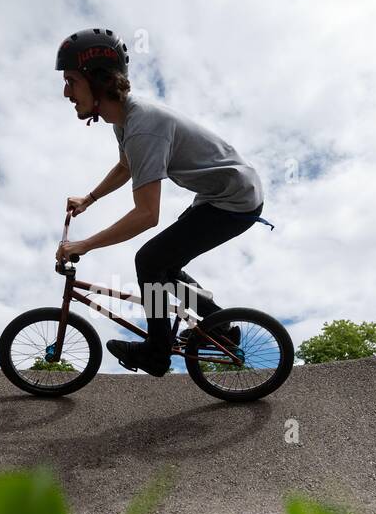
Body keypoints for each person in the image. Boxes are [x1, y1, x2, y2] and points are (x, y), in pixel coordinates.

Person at [53, 27, 269, 377]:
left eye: (71, 81)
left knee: (150, 260)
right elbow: (126, 166)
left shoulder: (143, 126)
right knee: (163, 265)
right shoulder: (124, 122)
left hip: (235, 200)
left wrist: (84, 245)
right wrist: (89, 199)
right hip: (221, 194)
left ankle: (157, 352)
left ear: (98, 81)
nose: (66, 92)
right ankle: (221, 327)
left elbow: (146, 215)